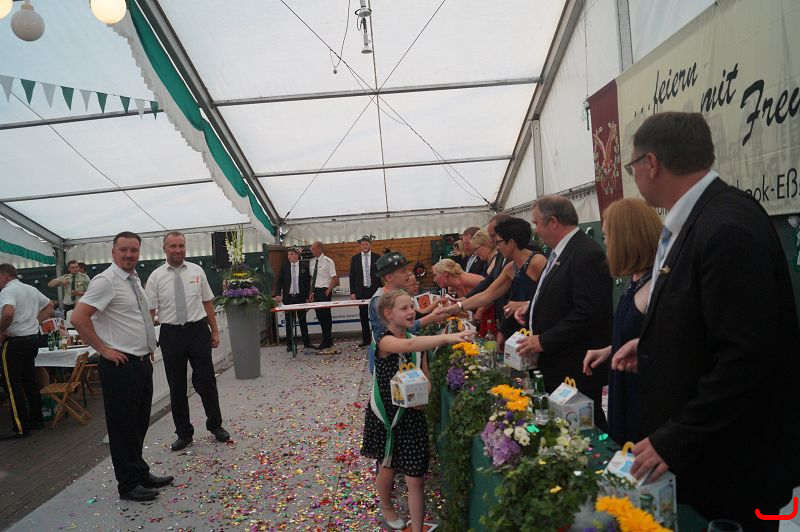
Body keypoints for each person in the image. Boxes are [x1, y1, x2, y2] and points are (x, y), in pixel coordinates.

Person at [610, 112, 800, 529]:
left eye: (632, 167)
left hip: (731, 470)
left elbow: (745, 359)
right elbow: (703, 321)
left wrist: (673, 440)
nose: (634, 176)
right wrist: (652, 348)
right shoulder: (699, 220)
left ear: (651, 164)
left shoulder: (725, 227)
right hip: (707, 459)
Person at [71, 231, 174, 502]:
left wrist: (147, 347)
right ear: (113, 252)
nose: (129, 255)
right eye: (124, 250)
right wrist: (103, 349)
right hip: (120, 365)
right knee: (122, 427)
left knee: (138, 424)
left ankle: (139, 473)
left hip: (140, 362)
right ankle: (128, 485)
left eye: (134, 250)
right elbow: (78, 317)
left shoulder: (133, 279)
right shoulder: (106, 281)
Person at [361, 289, 473, 532]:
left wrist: (425, 395)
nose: (411, 312)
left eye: (412, 307)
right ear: (388, 314)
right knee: (387, 467)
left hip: (412, 415)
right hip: (387, 417)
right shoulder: (384, 340)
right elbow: (408, 345)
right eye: (404, 308)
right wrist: (446, 338)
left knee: (416, 478)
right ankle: (387, 506)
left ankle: (417, 525)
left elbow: (426, 376)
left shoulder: (417, 343)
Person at [514, 195, 612, 429]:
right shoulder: (561, 251)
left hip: (574, 364)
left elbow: (589, 312)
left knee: (584, 430)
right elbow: (561, 295)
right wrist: (532, 309)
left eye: (537, 223)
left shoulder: (585, 253)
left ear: (553, 221)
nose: (536, 231)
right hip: (556, 362)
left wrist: (543, 340)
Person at [582, 198, 662, 445]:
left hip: (643, 403)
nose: (605, 242)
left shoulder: (656, 287)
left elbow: (661, 345)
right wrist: (610, 350)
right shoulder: (635, 280)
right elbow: (638, 336)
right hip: (623, 393)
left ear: (626, 238)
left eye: (607, 236)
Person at [144, 231, 230, 452]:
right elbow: (150, 312)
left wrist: (215, 331)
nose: (177, 250)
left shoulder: (197, 271)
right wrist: (148, 342)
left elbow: (207, 302)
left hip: (197, 331)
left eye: (181, 246)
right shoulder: (155, 277)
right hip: (171, 334)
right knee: (177, 386)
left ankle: (215, 425)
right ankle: (184, 433)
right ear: (164, 249)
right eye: (173, 246)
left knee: (207, 381)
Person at [444, 219, 547, 346]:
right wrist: (457, 306)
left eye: (499, 242)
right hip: (520, 332)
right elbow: (487, 295)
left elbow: (552, 300)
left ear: (511, 243)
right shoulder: (510, 268)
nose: (497, 246)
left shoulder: (538, 262)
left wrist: (526, 304)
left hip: (540, 334)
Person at [367, 252, 445, 374]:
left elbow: (410, 326)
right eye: (403, 271)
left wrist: (433, 316)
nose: (408, 274)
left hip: (404, 359)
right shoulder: (379, 301)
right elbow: (387, 338)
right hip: (389, 366)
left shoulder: (401, 294)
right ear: (389, 277)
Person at [0, 264, 53, 439]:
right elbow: (49, 305)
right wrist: (34, 322)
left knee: (12, 384)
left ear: (4, 276)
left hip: (15, 342)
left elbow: (8, 313)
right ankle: (36, 419)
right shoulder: (30, 289)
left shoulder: (7, 291)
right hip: (31, 339)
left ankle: (20, 426)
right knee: (29, 380)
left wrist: (1, 330)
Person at [274, 248, 313, 351]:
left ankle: (307, 343)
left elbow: (308, 282)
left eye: (291, 254)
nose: (289, 256)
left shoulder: (304, 266)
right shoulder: (285, 267)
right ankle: (290, 345)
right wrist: (277, 294)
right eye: (288, 255)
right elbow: (279, 281)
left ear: (297, 255)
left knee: (302, 321)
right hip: (289, 298)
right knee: (289, 322)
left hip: (300, 297)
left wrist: (308, 295)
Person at [349, 236, 381, 347]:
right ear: (360, 246)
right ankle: (366, 339)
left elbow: (381, 275)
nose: (364, 246)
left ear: (370, 245)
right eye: (362, 244)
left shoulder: (377, 257)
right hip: (361, 291)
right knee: (363, 316)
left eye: (366, 244)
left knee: (376, 315)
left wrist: (382, 290)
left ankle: (378, 338)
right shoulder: (355, 258)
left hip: (375, 290)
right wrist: (352, 292)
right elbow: (352, 276)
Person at [308, 241, 338, 349]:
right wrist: (311, 292)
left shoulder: (328, 261)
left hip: (324, 290)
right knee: (320, 316)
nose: (311, 250)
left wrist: (328, 291)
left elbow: (334, 278)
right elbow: (312, 279)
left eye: (313, 248)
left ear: (320, 249)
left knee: (326, 316)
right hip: (315, 291)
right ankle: (326, 340)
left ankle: (327, 340)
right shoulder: (312, 262)